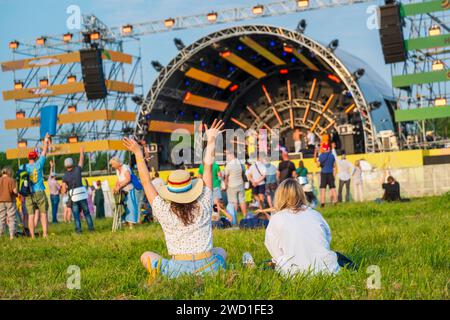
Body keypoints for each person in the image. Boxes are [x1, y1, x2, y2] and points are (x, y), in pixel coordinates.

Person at [123, 119, 227, 279]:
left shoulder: (163, 210)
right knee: (221, 251)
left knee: (146, 256)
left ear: (171, 191)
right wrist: (211, 140)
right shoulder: (205, 202)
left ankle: (162, 277)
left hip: (178, 270)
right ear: (191, 189)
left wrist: (138, 152)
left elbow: (145, 181)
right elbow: (207, 167)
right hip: (209, 267)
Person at [264, 179, 353, 276]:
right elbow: (327, 239)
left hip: (294, 273)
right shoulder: (315, 214)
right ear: (301, 194)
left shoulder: (277, 218)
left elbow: (273, 249)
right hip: (328, 270)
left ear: (279, 196)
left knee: (273, 262)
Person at [61, 148, 95, 234]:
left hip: (74, 197)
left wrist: (66, 190)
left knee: (76, 215)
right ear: (72, 163)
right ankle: (91, 229)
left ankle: (79, 230)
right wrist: (81, 152)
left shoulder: (64, 176)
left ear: (65, 165)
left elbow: (64, 189)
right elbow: (81, 160)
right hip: (82, 195)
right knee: (86, 213)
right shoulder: (77, 170)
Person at [24, 133, 50, 239]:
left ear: (28, 158)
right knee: (43, 213)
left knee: (31, 215)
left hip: (28, 193)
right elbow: (44, 150)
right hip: (39, 191)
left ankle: (32, 236)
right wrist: (46, 140)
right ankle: (44, 234)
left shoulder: (23, 166)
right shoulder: (39, 164)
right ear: (35, 157)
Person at [110, 156, 139, 228]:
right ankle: (126, 222)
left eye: (113, 164)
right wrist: (115, 187)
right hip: (123, 191)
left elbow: (128, 179)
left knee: (131, 207)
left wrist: (119, 186)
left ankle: (131, 226)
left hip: (129, 189)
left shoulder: (125, 167)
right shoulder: (117, 170)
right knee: (126, 207)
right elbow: (118, 180)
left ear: (117, 163)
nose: (112, 166)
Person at [223, 150, 248, 218]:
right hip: (240, 184)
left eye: (227, 155)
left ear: (231, 155)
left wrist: (225, 186)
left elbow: (226, 177)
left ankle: (234, 218)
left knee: (234, 202)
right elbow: (243, 173)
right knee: (242, 201)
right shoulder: (240, 163)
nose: (227, 157)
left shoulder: (229, 164)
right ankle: (245, 216)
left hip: (231, 185)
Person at [0, 168, 18, 240]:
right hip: (10, 201)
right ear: (9, 173)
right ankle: (12, 236)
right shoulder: (11, 180)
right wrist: (17, 194)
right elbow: (15, 191)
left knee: (1, 219)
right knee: (12, 218)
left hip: (0, 202)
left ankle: (1, 235)